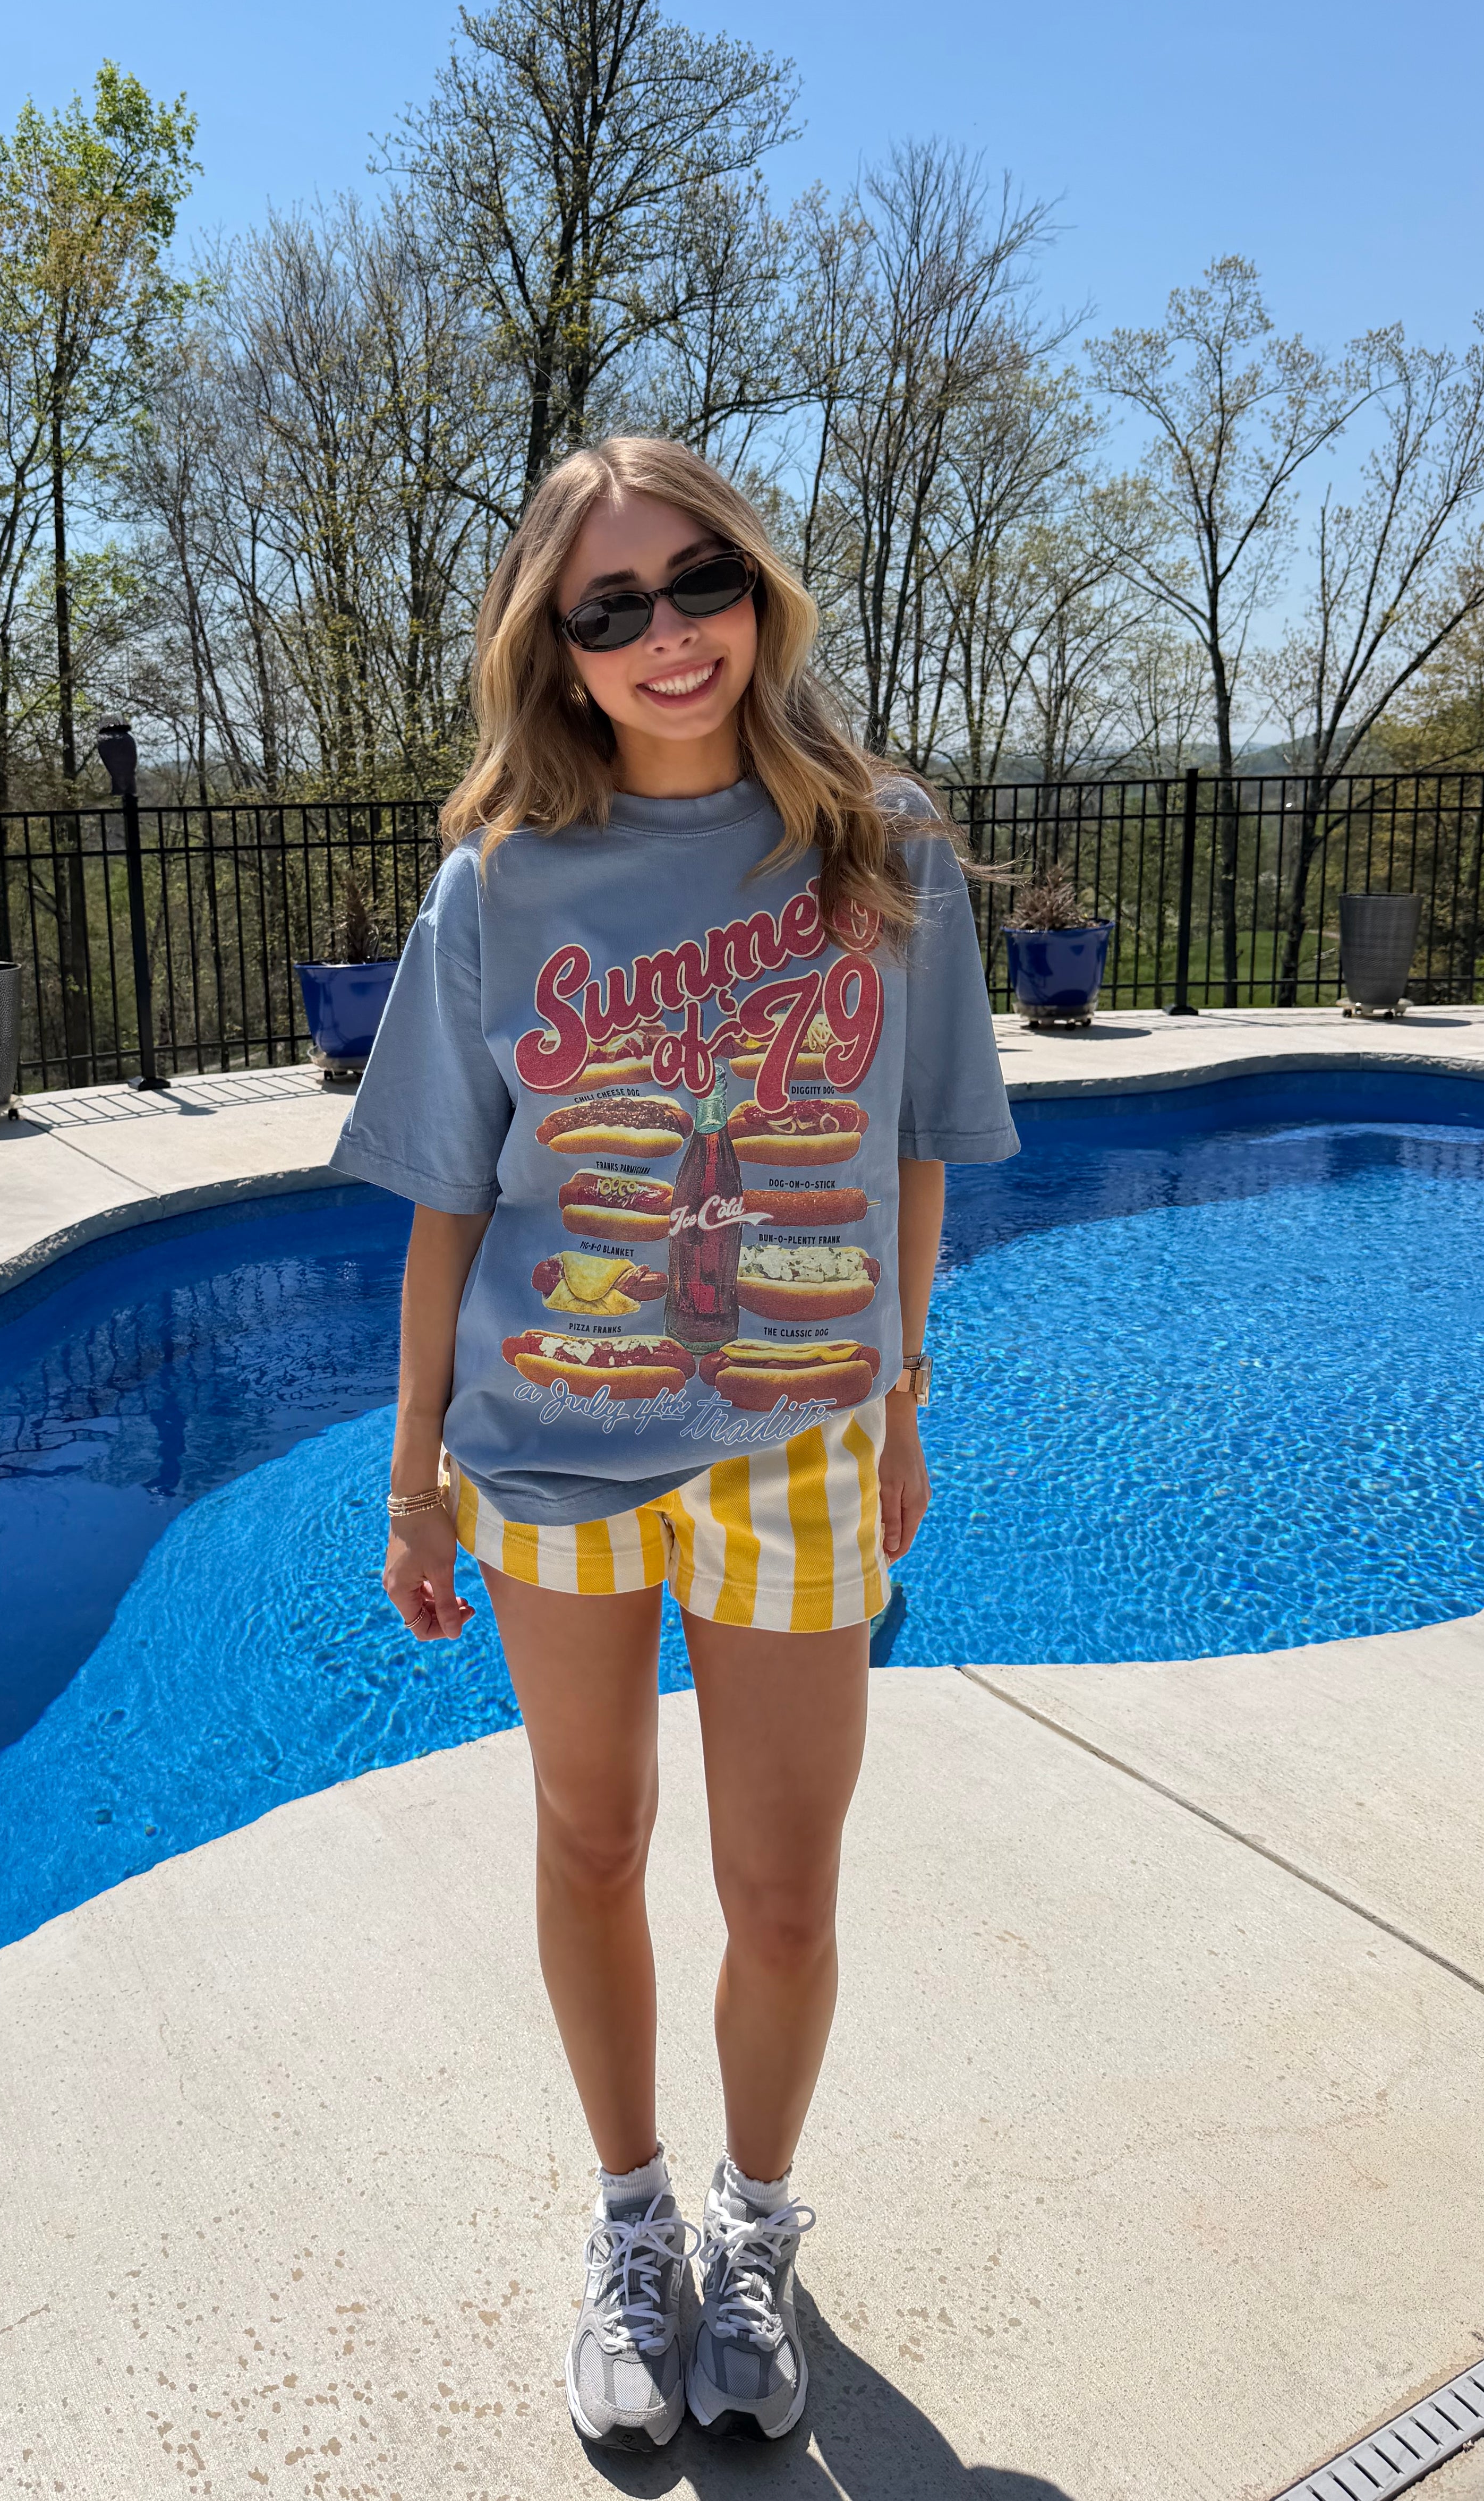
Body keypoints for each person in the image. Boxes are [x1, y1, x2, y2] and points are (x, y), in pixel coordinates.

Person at [327, 436, 1016, 2450]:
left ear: (757, 586)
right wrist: (412, 1470)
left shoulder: (882, 855)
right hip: (553, 1449)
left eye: (693, 582)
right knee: (594, 1835)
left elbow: (910, 1158)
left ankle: (756, 2229)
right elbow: (453, 1201)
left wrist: (900, 1409)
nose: (665, 637)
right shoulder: (498, 889)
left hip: (798, 1445)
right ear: (556, 646)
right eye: (606, 608)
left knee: (785, 1888)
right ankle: (632, 2229)